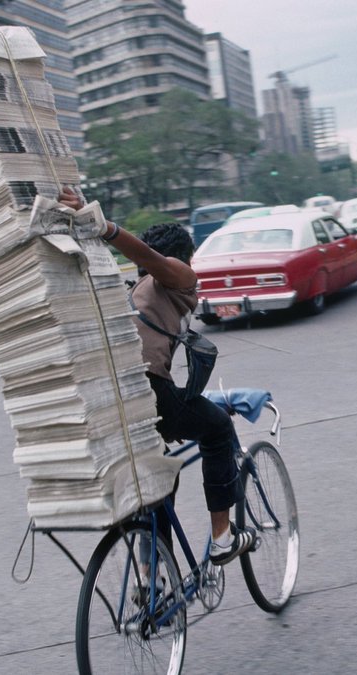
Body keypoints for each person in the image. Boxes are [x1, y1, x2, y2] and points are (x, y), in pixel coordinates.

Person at [57, 187, 255, 566]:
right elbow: (148, 257)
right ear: (184, 256)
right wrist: (98, 223)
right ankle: (223, 539)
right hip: (149, 389)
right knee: (217, 431)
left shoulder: (135, 290)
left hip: (122, 392)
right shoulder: (179, 277)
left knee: (161, 475)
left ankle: (152, 573)